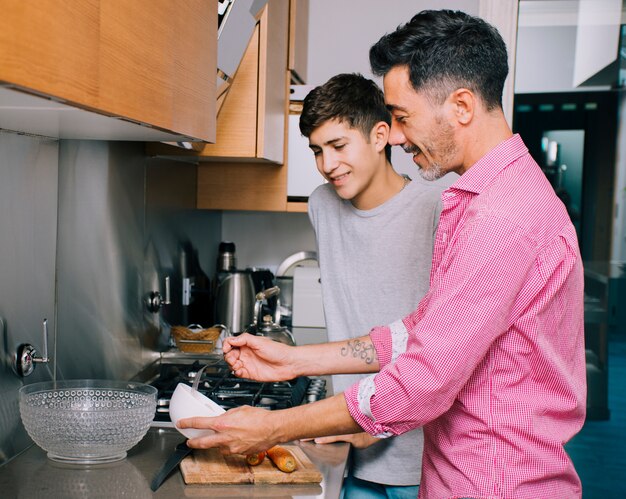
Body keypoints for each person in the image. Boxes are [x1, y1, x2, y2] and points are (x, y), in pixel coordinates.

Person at [178, 9, 586, 498]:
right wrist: (295, 361)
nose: (393, 134)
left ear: (460, 106)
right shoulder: (485, 199)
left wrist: (271, 428)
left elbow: (420, 380)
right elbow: (420, 331)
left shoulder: (504, 217)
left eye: (402, 116)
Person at [301, 72, 446, 498]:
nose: (328, 165)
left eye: (338, 146)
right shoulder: (321, 205)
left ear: (380, 135)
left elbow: (440, 344)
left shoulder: (437, 207)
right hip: (347, 441)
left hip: (418, 453)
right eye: (317, 151)